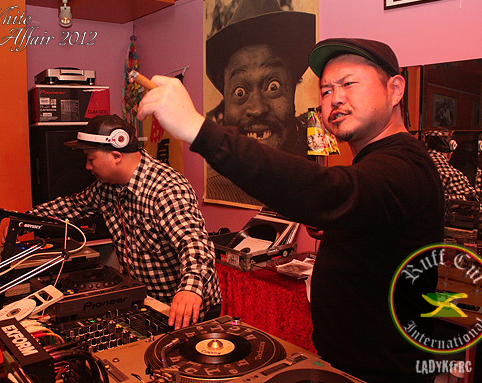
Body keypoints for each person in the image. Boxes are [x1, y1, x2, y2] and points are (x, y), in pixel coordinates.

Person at [137, 38, 444, 382]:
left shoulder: (406, 164)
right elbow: (365, 208)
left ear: (395, 89)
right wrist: (341, 227)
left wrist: (198, 130)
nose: (335, 98)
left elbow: (331, 191)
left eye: (348, 83)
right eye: (326, 90)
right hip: (344, 364)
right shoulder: (376, 164)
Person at [26, 114, 221, 330]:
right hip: (148, 301)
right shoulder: (106, 188)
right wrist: (24, 221)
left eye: (91, 158)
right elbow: (72, 205)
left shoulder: (166, 189)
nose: (87, 167)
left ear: (116, 156)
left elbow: (194, 242)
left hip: (186, 306)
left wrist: (190, 289)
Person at [204, 0, 316, 205]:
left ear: (294, 85)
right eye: (240, 91)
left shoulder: (323, 168)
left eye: (273, 86)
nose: (256, 108)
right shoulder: (215, 185)